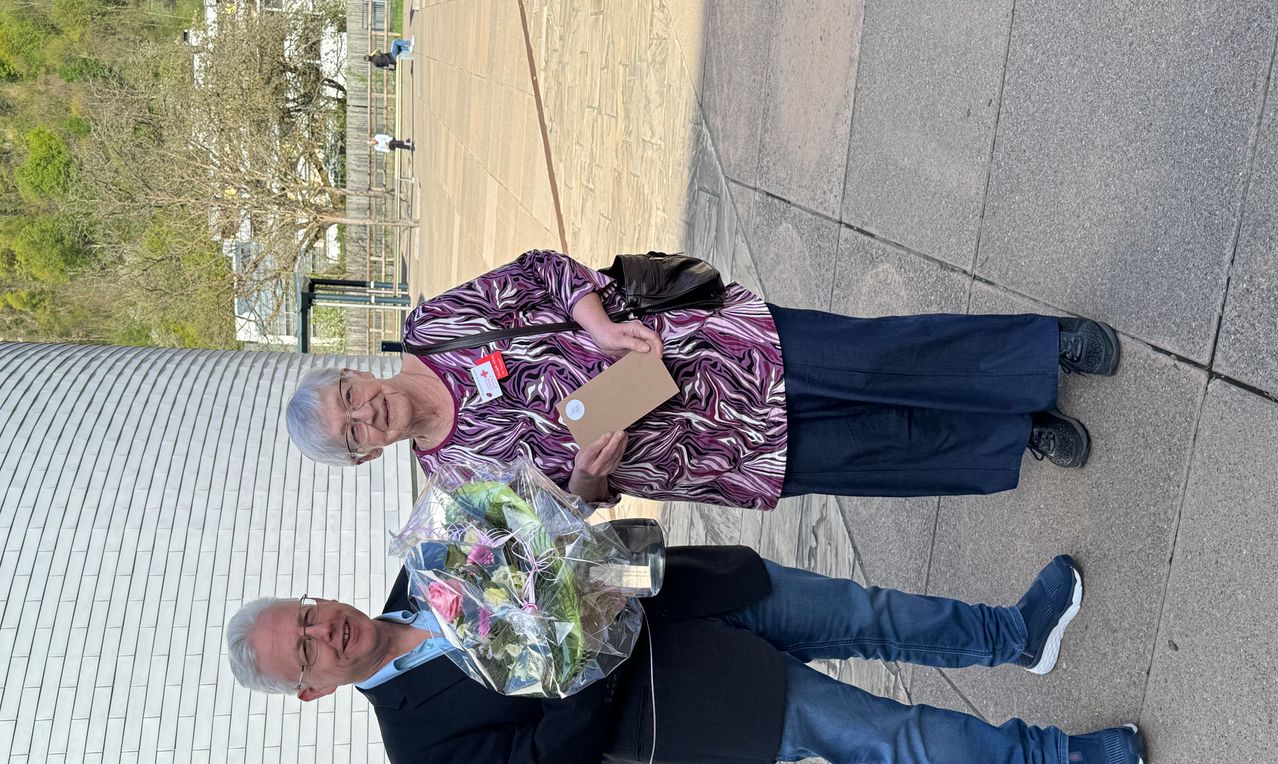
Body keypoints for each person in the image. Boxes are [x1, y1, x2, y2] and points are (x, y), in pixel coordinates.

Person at [225, 550, 1145, 764]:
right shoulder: (418, 748)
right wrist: (590, 651)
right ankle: (1060, 762)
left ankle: (1013, 635)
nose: (322, 630)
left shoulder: (427, 562)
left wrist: (607, 557)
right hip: (700, 701)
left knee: (870, 611)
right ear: (311, 691)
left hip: (697, 595)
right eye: (303, 650)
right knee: (891, 736)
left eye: (304, 615)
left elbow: (555, 538)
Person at [285, 250, 1120, 509]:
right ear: (365, 457)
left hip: (708, 350)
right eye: (354, 429)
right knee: (872, 451)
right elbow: (559, 526)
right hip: (706, 454)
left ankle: (1037, 358)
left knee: (880, 358)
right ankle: (1016, 431)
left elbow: (540, 274)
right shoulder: (454, 483)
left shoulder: (438, 327)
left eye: (351, 395)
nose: (368, 412)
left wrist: (601, 326)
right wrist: (583, 481)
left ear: (357, 373)